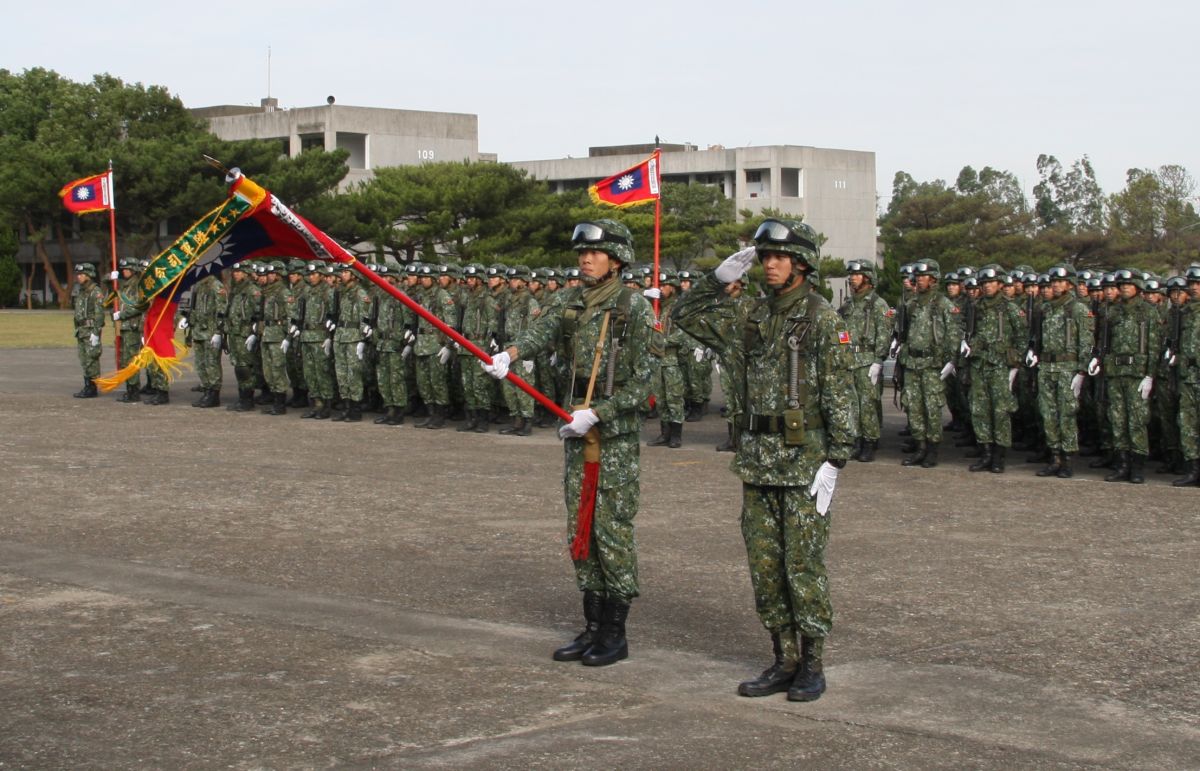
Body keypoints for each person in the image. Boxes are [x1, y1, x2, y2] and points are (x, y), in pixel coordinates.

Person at [674, 218, 856, 702]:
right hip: (758, 461)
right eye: (765, 257)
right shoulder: (750, 317)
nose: (769, 265)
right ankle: (783, 658)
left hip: (804, 463)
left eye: (779, 257)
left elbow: (841, 392)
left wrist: (836, 459)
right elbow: (683, 315)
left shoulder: (821, 318)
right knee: (766, 566)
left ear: (802, 263)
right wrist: (714, 281)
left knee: (803, 566)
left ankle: (812, 663)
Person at [483, 219, 654, 667]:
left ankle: (615, 633)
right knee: (580, 529)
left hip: (610, 434)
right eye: (581, 253)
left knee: (610, 531)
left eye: (594, 253)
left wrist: (600, 413)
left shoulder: (634, 308)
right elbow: (540, 334)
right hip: (575, 429)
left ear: (617, 259)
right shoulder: (570, 298)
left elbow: (647, 382)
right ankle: (592, 626)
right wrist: (510, 355)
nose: (585, 259)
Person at [1091, 269, 1161, 483]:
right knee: (1118, 419)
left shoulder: (1148, 312)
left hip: (1137, 373)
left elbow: (1154, 346)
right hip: (1115, 373)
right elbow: (1105, 341)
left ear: (1138, 287)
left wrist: (1150, 375)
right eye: (1121, 285)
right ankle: (1122, 464)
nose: (1123, 288)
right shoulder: (1112, 312)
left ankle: (1137, 467)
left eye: (1128, 285)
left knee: (1137, 420)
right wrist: (1099, 360)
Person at [1026, 264, 1094, 478]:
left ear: (1069, 284)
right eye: (1053, 282)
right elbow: (1037, 336)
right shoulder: (1045, 308)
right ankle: (1054, 456)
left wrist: (1082, 371)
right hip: (1047, 366)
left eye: (1060, 282)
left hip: (1068, 367)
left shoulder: (1078, 309)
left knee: (1066, 414)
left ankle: (1068, 460)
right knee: (1048, 413)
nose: (1055, 285)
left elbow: (1086, 341)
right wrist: (1033, 352)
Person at [897, 259, 961, 468]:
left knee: (932, 407)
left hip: (933, 364)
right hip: (913, 362)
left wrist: (952, 361)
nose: (919, 280)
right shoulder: (911, 304)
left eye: (923, 276)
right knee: (913, 406)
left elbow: (954, 335)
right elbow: (904, 334)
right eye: (918, 277)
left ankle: (932, 449)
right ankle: (920, 446)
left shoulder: (943, 305)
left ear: (933, 279)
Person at [961, 265, 1024, 473]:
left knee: (1001, 411)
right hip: (979, 363)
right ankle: (985, 452)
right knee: (979, 410)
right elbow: (965, 330)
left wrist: (1015, 363)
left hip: (1000, 365)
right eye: (984, 283)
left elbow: (1022, 337)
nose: (987, 286)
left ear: (999, 284)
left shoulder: (1010, 308)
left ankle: (999, 456)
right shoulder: (975, 307)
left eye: (991, 282)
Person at [838, 260, 893, 462]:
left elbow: (884, 334)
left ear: (868, 278)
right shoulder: (848, 305)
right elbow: (840, 332)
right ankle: (856, 440)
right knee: (852, 404)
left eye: (857, 274)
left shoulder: (878, 305)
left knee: (868, 404)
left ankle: (870, 442)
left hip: (868, 360)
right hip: (850, 360)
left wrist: (878, 360)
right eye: (852, 274)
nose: (853, 277)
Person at [186, 270, 228, 408]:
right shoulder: (198, 286)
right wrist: (189, 323)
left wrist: (218, 332)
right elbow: (194, 308)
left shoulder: (216, 286)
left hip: (210, 332)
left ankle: (214, 394)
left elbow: (222, 311)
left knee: (212, 363)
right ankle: (206, 389)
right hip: (198, 330)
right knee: (200, 363)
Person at [110, 257, 146, 403]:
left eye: (126, 269)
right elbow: (112, 298)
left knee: (131, 360)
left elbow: (140, 305)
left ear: (133, 270)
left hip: (132, 327)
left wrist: (122, 314)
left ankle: (133, 390)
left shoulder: (138, 285)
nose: (124, 271)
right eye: (123, 269)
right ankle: (130, 389)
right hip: (123, 327)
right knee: (124, 359)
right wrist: (112, 282)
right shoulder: (124, 286)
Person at [71, 262, 106, 398]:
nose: (79, 277)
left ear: (89, 275)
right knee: (84, 359)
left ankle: (92, 387)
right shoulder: (81, 291)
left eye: (82, 274)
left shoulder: (95, 291)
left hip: (91, 330)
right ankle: (87, 385)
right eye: (78, 274)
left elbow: (99, 314)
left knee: (92, 359)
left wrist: (96, 333)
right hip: (81, 330)